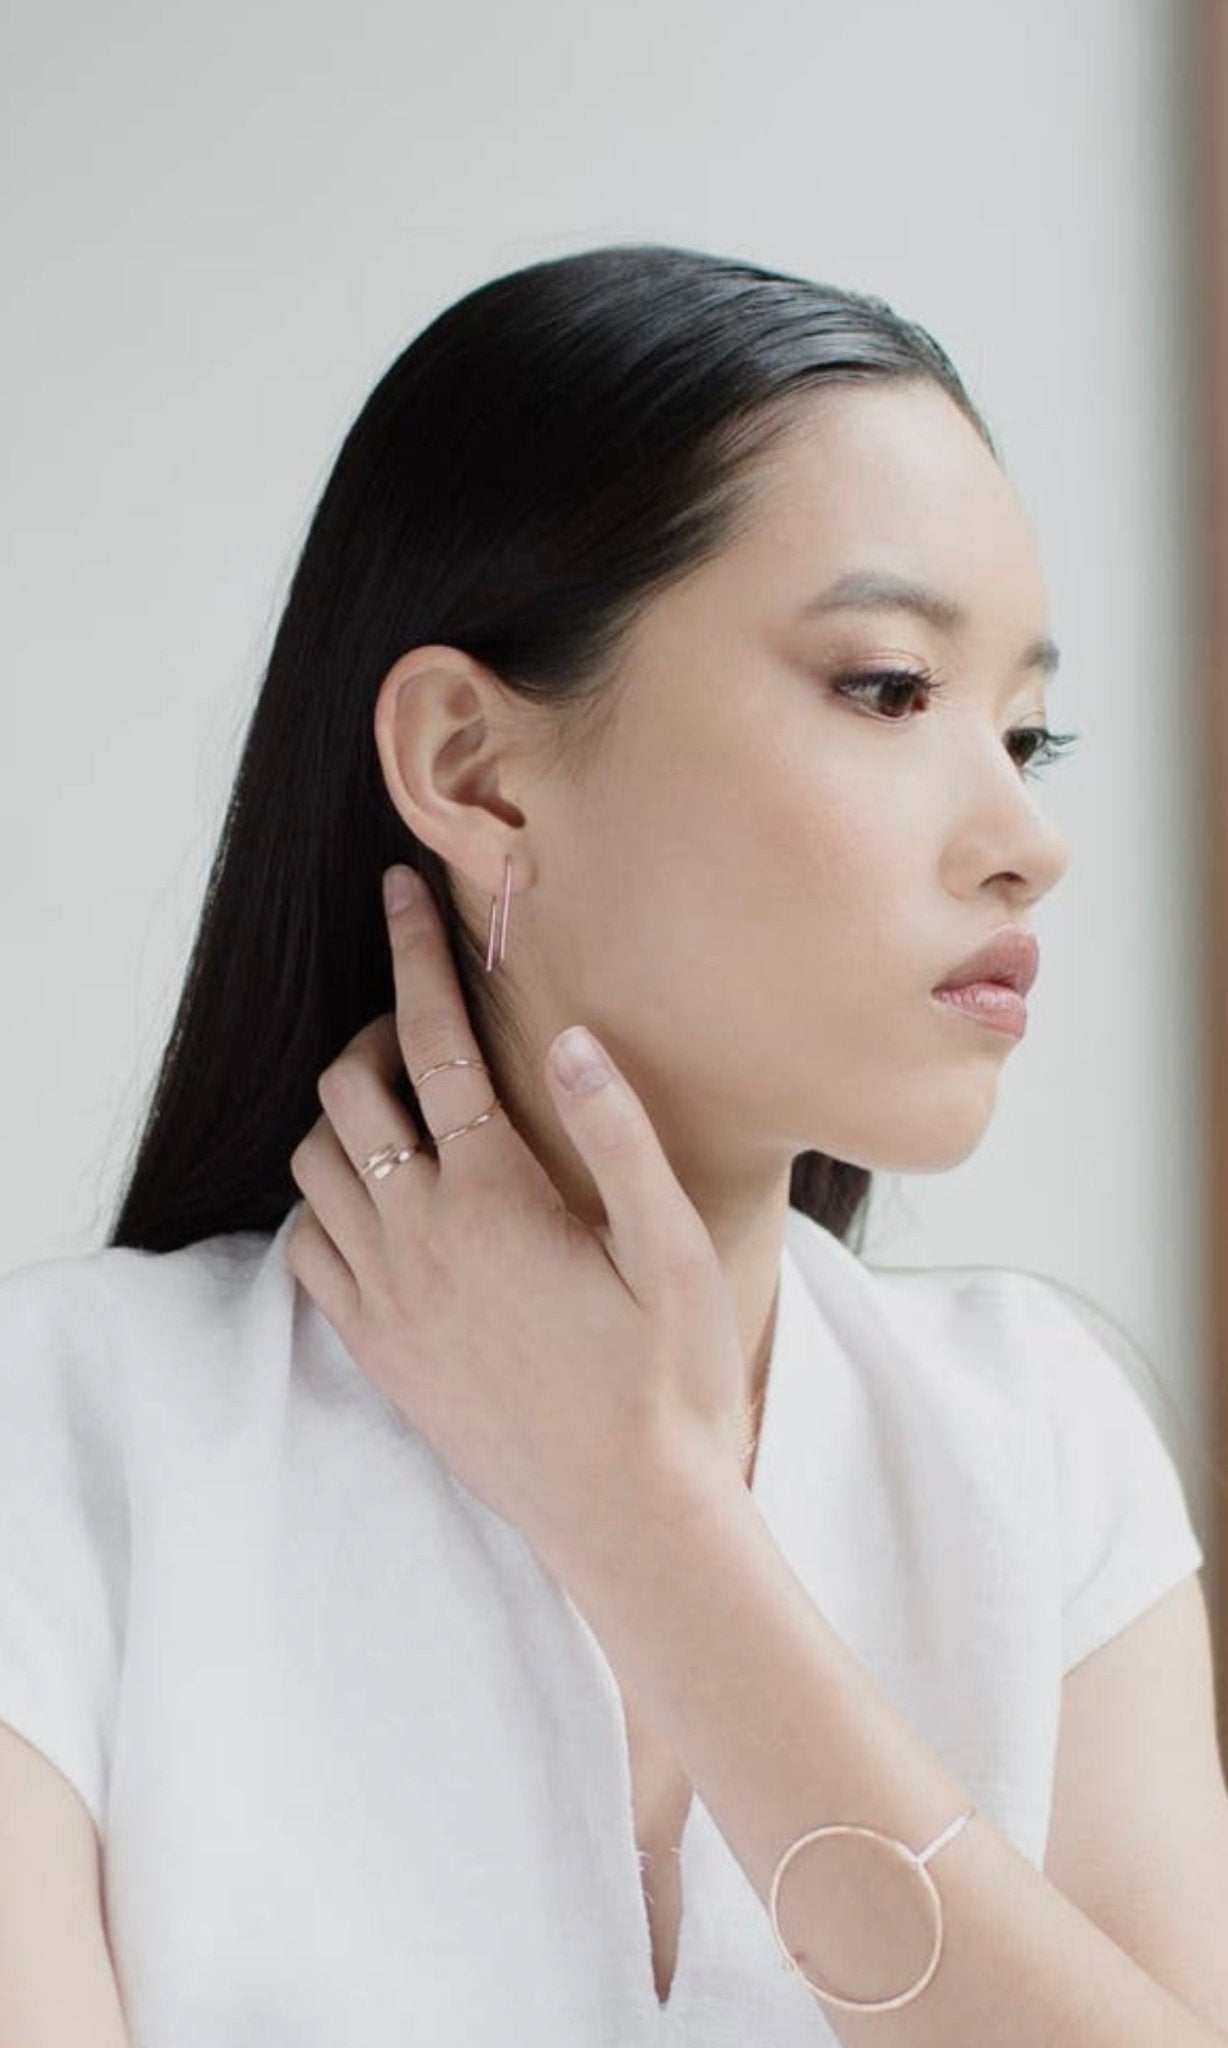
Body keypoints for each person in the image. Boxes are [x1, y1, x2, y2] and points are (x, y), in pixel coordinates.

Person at [0, 244, 1219, 2046]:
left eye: (1029, 733)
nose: (1024, 837)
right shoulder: (63, 1442)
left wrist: (647, 1523)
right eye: (888, 689)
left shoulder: (1042, 1454)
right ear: (477, 767)